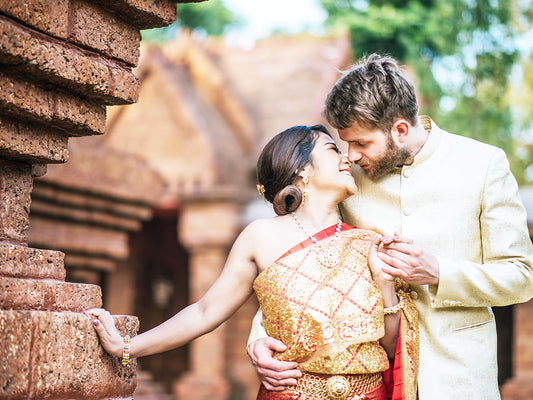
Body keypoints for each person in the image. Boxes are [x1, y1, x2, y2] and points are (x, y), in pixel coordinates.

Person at [247, 54, 533, 400]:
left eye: (361, 143)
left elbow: (521, 276)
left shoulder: (483, 165)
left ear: (400, 130)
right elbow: (298, 262)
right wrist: (258, 336)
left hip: (458, 380)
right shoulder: (346, 182)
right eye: (345, 143)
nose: (350, 156)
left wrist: (438, 272)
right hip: (369, 384)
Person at [88, 125, 419, 400]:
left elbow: (390, 348)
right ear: (303, 170)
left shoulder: (368, 243)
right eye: (333, 150)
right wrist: (127, 347)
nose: (348, 158)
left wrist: (385, 283)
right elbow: (205, 312)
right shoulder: (261, 236)